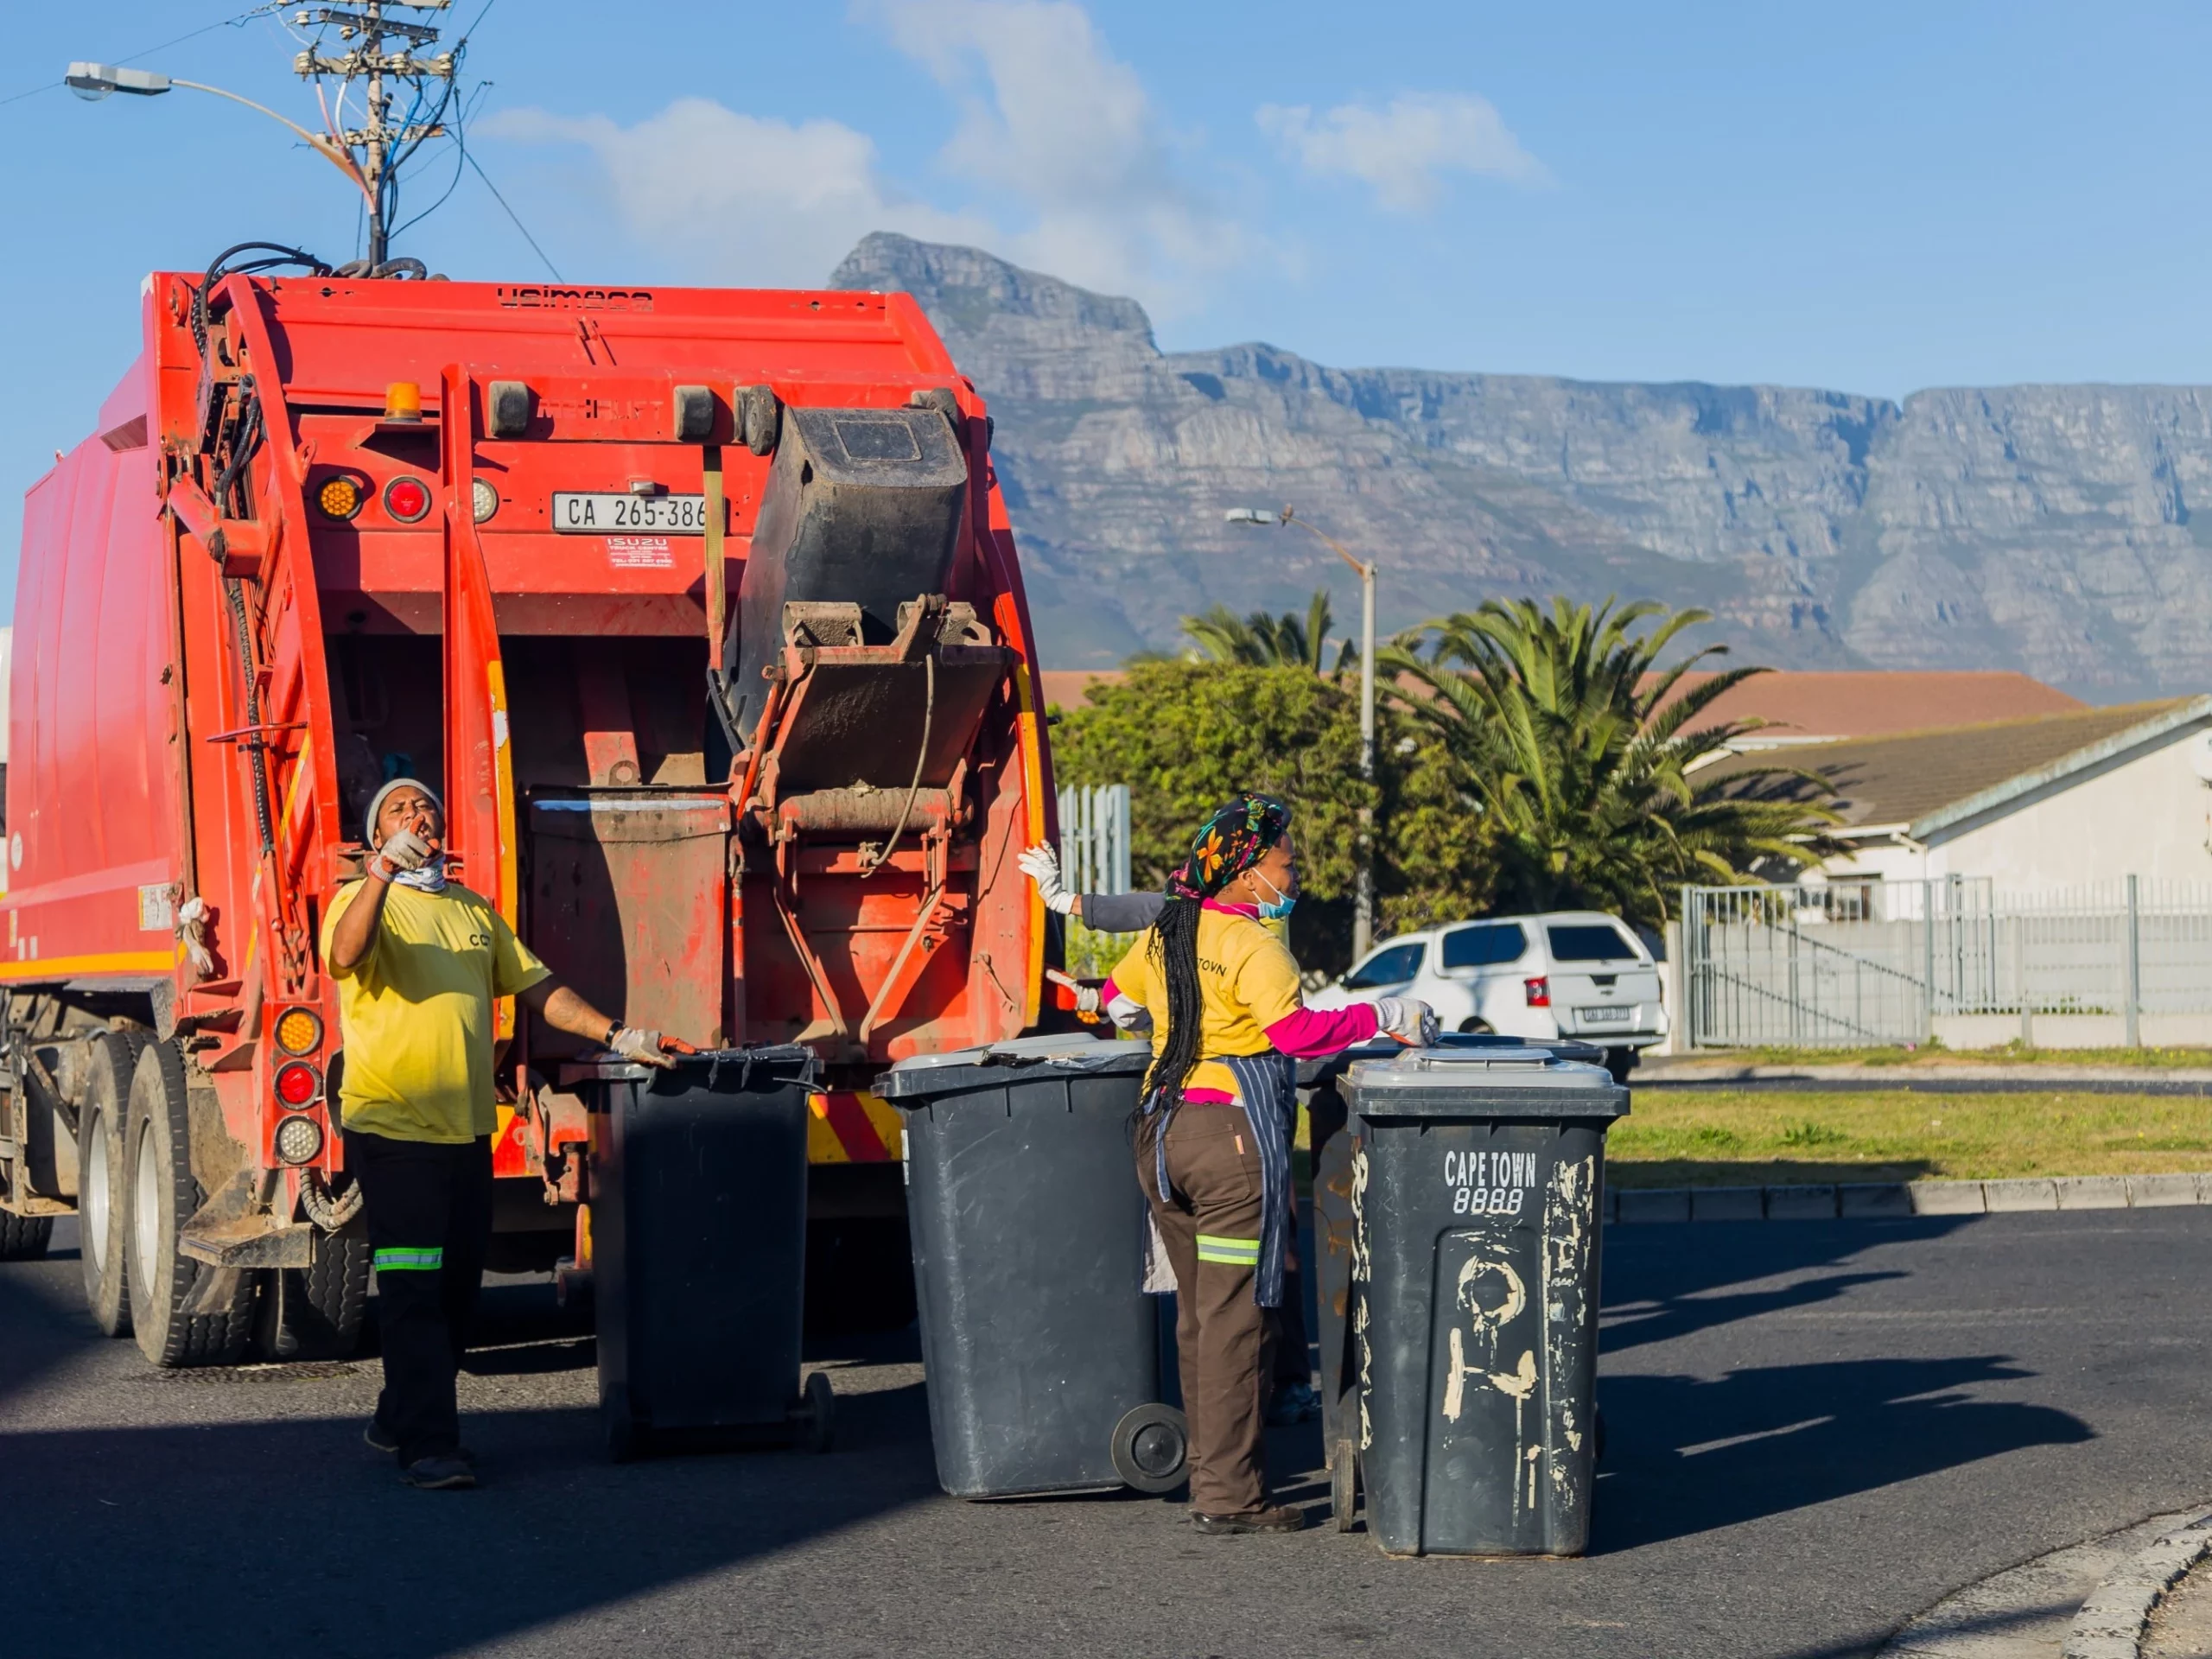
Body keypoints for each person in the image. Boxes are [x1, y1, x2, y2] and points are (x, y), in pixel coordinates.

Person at [322, 778, 684, 1491]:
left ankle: (399, 1412)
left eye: (424, 805)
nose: (417, 815)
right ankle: (430, 1445)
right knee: (413, 1289)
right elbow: (343, 953)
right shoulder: (363, 900)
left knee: (457, 1293)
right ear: (376, 836)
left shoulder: (472, 913)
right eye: (398, 810)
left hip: (462, 1134)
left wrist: (620, 1033)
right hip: (393, 1131)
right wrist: (380, 875)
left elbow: (539, 989)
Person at [1093, 798, 1434, 1534]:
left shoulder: (1167, 929)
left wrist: (1154, 1009)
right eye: (1285, 862)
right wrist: (1383, 1016)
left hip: (1161, 1140)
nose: (1294, 872)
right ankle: (1228, 1498)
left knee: (1200, 1317)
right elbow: (1299, 1037)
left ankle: (1215, 1480)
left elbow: (1114, 999)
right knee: (1237, 1322)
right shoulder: (1255, 947)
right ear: (1248, 875)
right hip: (1228, 1149)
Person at [1025, 841, 1327, 1427]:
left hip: (1227, 1111)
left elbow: (1142, 940)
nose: (1293, 878)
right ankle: (1247, 1403)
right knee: (1241, 1277)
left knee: (1261, 1262)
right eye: (1286, 864)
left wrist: (1069, 908)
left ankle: (1268, 1388)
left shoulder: (1253, 919)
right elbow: (1145, 918)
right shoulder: (1203, 906)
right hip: (1235, 1114)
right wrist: (1068, 905)